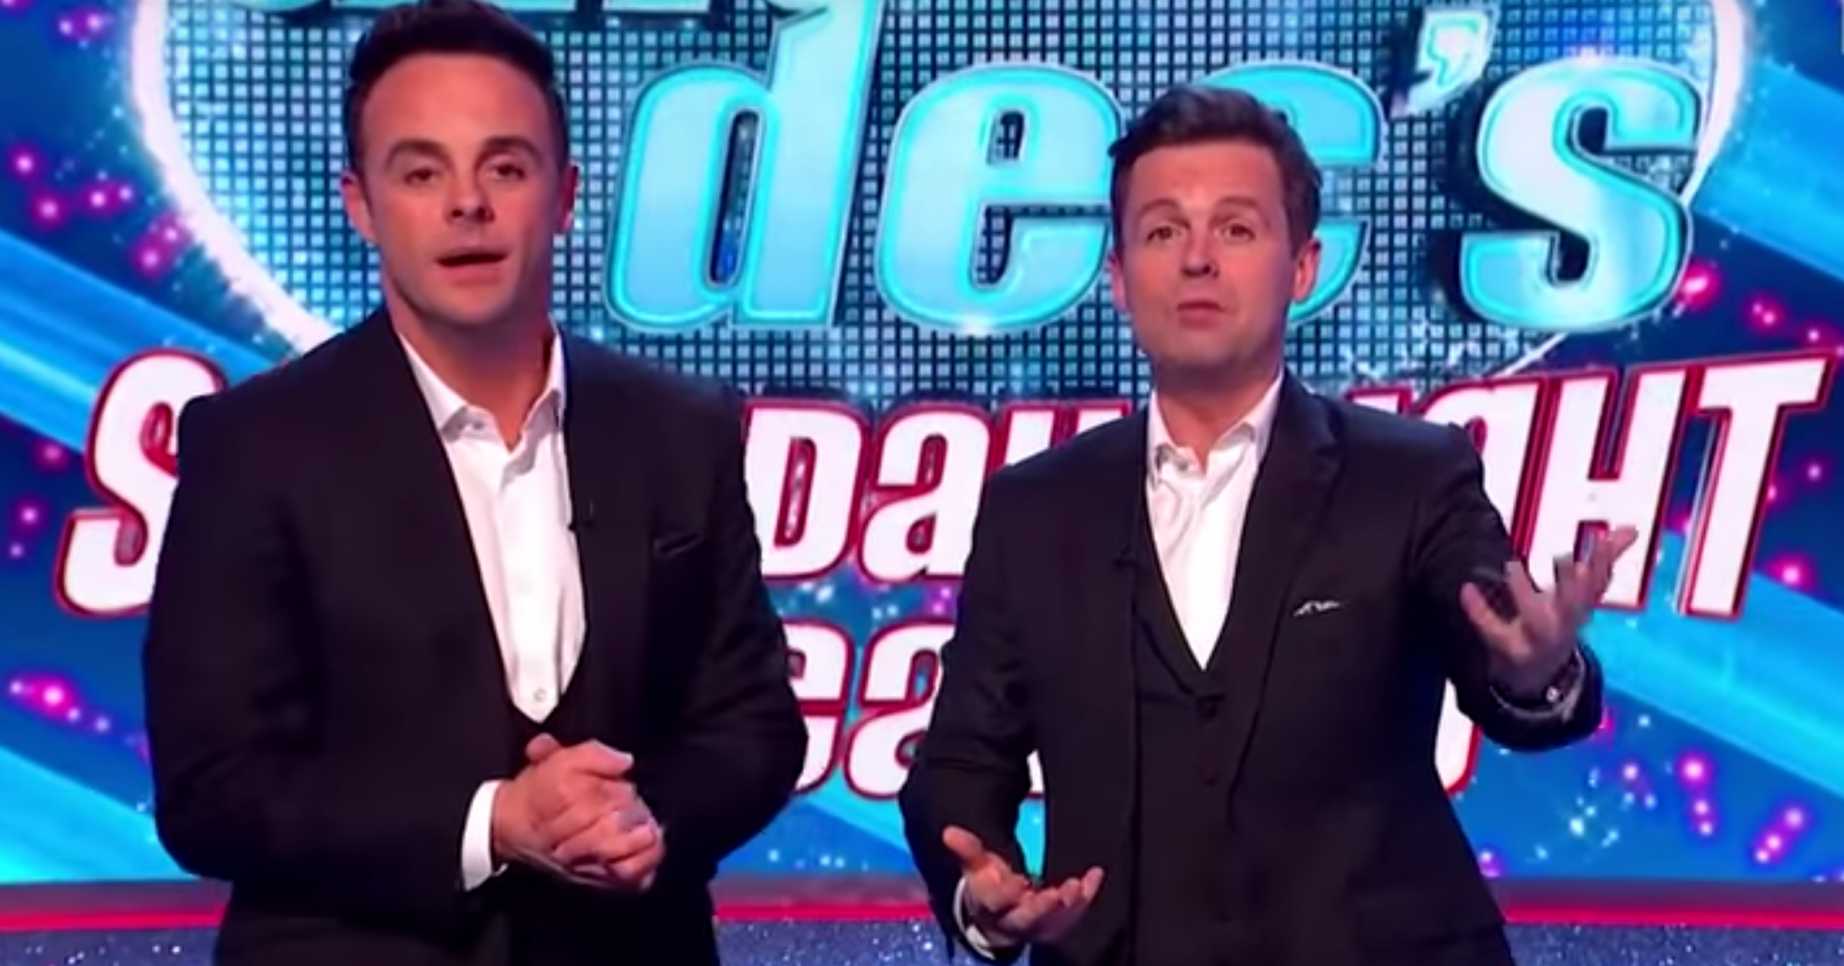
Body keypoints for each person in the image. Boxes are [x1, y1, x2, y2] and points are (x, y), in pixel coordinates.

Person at [897, 84, 1636, 966]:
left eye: (1237, 229)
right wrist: (983, 896)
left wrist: (1535, 672)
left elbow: (1500, 654)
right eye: (1163, 232)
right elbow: (960, 762)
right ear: (1119, 277)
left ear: (1303, 266)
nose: (1197, 260)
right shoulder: (1036, 510)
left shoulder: (1411, 474)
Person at [140, 2, 806, 963]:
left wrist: (644, 819)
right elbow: (213, 792)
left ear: (564, 196)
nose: (467, 204)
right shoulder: (254, 446)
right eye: (421, 172)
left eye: (506, 168)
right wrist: (492, 823)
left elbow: (753, 725)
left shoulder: (679, 429)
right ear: (360, 204)